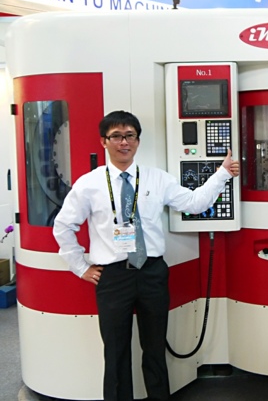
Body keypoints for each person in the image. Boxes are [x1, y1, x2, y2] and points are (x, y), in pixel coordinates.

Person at [53, 110, 240, 401]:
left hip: (152, 273)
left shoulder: (156, 179)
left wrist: (222, 174)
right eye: (116, 136)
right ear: (104, 141)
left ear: (138, 141)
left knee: (154, 349)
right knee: (115, 351)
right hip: (112, 277)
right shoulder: (89, 184)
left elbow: (194, 203)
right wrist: (80, 267)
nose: (124, 142)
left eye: (130, 136)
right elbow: (64, 226)